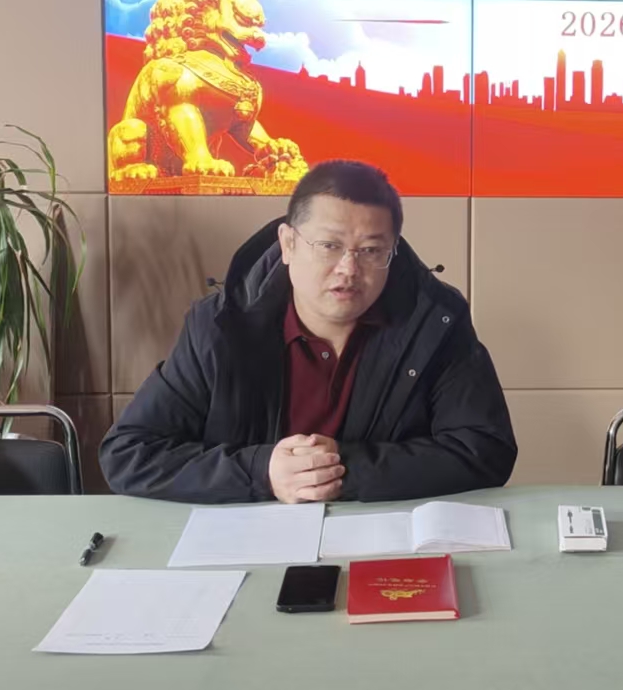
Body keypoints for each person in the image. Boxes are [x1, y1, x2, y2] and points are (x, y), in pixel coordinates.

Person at [102, 160, 515, 503]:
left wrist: (343, 469)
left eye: (371, 251)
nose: (349, 269)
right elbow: (128, 453)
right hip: (243, 541)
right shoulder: (220, 327)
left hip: (386, 540)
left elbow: (486, 450)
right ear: (288, 244)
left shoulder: (434, 323)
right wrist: (262, 471)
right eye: (329, 246)